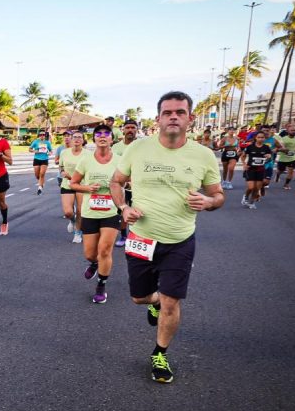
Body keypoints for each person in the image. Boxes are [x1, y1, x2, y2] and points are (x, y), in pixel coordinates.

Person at [110, 91, 224, 384]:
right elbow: (116, 182)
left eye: (180, 112)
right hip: (141, 237)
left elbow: (217, 195)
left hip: (179, 241)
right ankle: (154, 299)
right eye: (168, 112)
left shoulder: (203, 155)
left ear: (190, 118)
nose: (174, 116)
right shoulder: (137, 149)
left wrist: (209, 203)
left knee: (173, 302)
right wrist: (123, 207)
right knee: (138, 297)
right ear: (158, 118)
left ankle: (159, 353)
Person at [69, 124, 122, 304]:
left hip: (111, 210)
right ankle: (93, 263)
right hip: (90, 212)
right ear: (94, 139)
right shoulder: (85, 160)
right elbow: (73, 184)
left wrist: (126, 186)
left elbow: (129, 181)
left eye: (106, 133)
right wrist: (87, 187)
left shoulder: (120, 160)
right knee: (90, 254)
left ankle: (101, 285)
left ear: (111, 139)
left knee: (105, 250)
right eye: (98, 134)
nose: (102, 136)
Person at [59, 131, 89, 243]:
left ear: (83, 140)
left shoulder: (88, 154)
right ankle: (72, 220)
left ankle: (78, 232)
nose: (77, 139)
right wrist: (62, 172)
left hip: (81, 185)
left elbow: (89, 169)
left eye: (79, 137)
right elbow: (61, 166)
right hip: (67, 184)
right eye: (74, 137)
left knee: (81, 211)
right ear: (71, 139)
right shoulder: (64, 152)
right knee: (68, 212)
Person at [112, 119, 138, 247]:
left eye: (133, 127)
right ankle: (123, 235)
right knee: (123, 210)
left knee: (138, 212)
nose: (130, 130)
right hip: (121, 185)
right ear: (123, 130)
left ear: (136, 130)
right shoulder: (116, 147)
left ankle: (136, 236)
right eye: (127, 127)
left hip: (138, 186)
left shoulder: (142, 146)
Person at [242, 131, 272, 208]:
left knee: (257, 188)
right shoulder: (250, 147)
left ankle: (251, 202)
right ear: (255, 138)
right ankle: (245, 196)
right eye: (259, 137)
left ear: (264, 138)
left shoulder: (266, 147)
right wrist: (244, 164)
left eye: (262, 137)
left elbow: (269, 158)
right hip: (250, 169)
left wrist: (269, 157)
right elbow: (243, 156)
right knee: (251, 187)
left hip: (261, 169)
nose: (261, 139)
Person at [276, 124, 295, 190]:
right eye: (291, 130)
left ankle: (286, 184)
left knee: (291, 171)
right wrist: (283, 150)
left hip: (292, 158)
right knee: (280, 170)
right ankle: (278, 175)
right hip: (283, 158)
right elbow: (278, 149)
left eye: (294, 130)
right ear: (288, 131)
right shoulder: (283, 139)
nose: (293, 131)